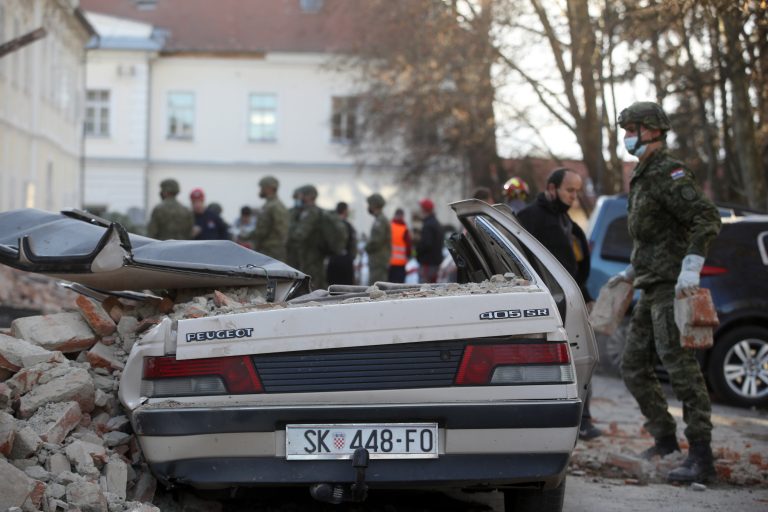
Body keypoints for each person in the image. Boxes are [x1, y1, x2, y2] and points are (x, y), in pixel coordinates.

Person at [608, 101, 721, 483]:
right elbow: (652, 237)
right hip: (648, 284)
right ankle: (666, 442)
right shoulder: (642, 174)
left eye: (632, 129)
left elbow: (705, 216)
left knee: (682, 370)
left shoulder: (668, 172)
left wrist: (692, 264)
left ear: (652, 131)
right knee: (633, 366)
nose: (627, 136)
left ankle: (702, 458)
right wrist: (629, 271)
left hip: (672, 288)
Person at [516, 167, 601, 440]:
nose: (574, 197)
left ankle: (582, 420)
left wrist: (585, 296)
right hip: (541, 305)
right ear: (551, 189)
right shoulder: (530, 217)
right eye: (569, 190)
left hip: (569, 302)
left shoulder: (568, 222)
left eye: (577, 191)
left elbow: (574, 267)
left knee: (579, 359)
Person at [293, 185, 328, 290]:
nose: (300, 198)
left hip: (311, 255)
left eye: (302, 195)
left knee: (313, 285)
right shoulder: (312, 211)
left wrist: (291, 235)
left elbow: (301, 234)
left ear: (309, 196)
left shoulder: (311, 212)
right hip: (311, 255)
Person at [249, 176, 289, 261]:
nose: (260, 190)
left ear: (269, 188)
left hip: (272, 251)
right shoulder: (268, 205)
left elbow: (281, 230)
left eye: (262, 187)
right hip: (266, 249)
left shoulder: (275, 206)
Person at [326, 202, 358, 286]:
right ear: (345, 211)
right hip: (345, 261)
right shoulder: (348, 226)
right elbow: (353, 244)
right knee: (346, 289)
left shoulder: (330, 225)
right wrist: (353, 257)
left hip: (333, 261)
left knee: (332, 288)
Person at [415, 198, 443, 283]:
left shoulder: (428, 225)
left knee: (425, 291)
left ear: (424, 210)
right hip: (435, 264)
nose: (419, 210)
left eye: (421, 208)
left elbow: (427, 244)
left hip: (427, 265)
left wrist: (417, 251)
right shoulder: (436, 223)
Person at [365, 193, 391, 285]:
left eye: (369, 204)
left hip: (378, 261)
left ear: (374, 205)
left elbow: (376, 241)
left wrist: (366, 247)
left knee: (376, 288)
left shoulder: (380, 220)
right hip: (378, 260)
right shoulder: (380, 219)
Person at [388, 208, 412, 283]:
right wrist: (409, 256)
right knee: (399, 285)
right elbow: (409, 245)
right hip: (401, 263)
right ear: (402, 216)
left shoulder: (389, 226)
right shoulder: (404, 228)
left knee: (389, 284)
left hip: (390, 262)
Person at [285, 187, 304, 270]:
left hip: (304, 250)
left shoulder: (309, 213)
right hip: (291, 249)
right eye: (295, 198)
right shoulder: (290, 212)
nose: (297, 200)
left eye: (299, 198)